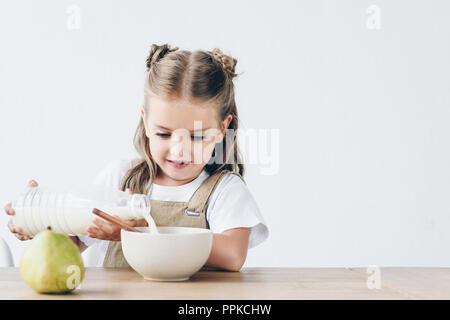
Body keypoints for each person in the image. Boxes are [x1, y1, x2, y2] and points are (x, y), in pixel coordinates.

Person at [4, 44, 269, 272]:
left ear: (223, 129)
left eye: (197, 137)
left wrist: (140, 233)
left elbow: (233, 255)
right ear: (145, 120)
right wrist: (42, 225)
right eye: (164, 134)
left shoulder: (223, 191)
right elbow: (76, 243)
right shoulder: (119, 178)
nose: (179, 150)